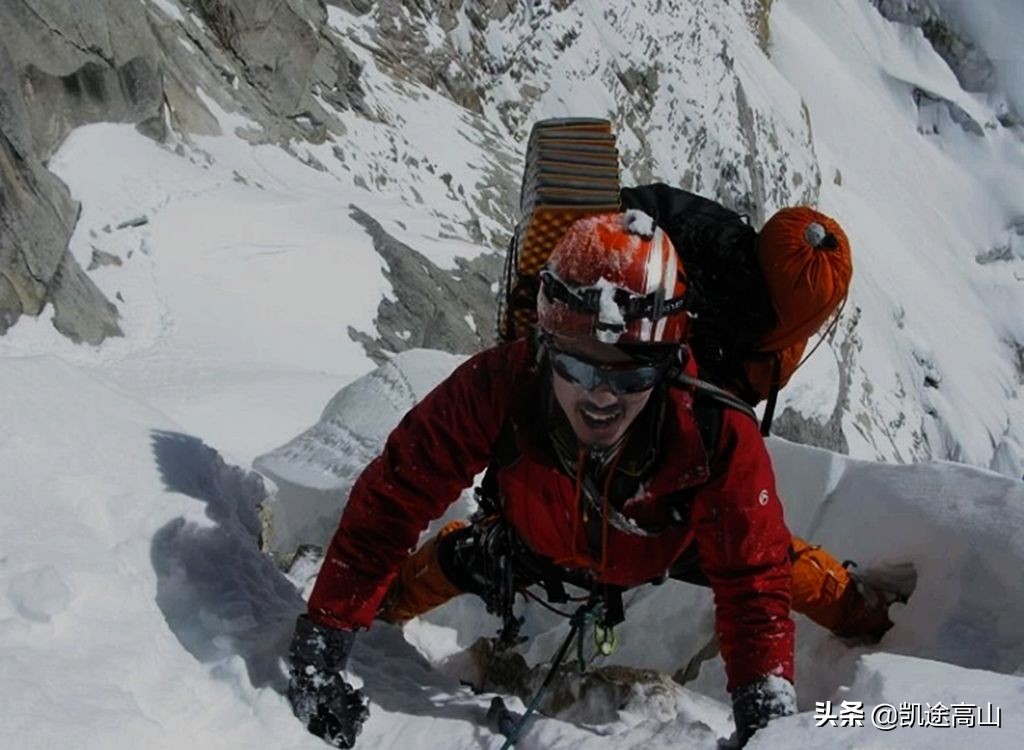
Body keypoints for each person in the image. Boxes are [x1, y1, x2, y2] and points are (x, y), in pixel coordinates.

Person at [286, 211, 892, 748]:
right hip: (554, 534)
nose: (601, 396)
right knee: (447, 566)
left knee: (779, 565)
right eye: (578, 367)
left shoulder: (715, 431)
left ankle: (878, 619)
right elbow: (398, 494)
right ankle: (377, 612)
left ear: (670, 363)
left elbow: (754, 582)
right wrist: (327, 635)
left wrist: (765, 722)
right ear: (545, 346)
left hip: (647, 536)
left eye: (631, 374)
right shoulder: (501, 383)